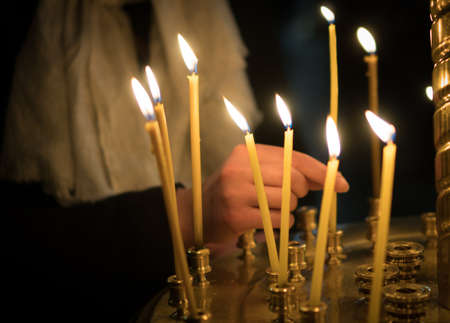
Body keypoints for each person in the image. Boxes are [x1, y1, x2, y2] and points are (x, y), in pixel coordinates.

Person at [2, 1, 349, 322]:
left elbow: (287, 165)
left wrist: (265, 218)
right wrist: (185, 214)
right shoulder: (31, 26)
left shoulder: (232, 13)